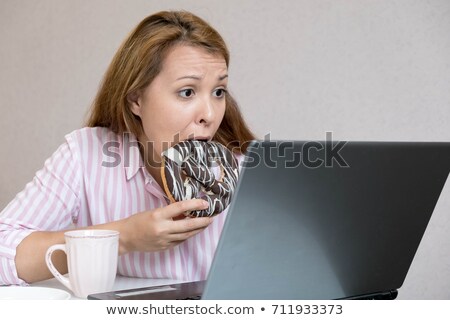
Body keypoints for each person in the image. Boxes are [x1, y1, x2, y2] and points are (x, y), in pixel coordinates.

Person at [0, 10, 254, 286]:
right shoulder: (85, 154)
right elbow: (4, 250)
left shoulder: (245, 170)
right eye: (187, 92)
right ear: (136, 99)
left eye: (218, 92)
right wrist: (122, 237)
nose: (209, 114)